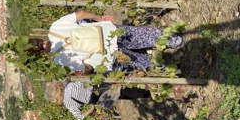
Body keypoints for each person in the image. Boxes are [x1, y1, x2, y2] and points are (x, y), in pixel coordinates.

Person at [47, 10, 184, 73]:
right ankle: (173, 40)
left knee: (139, 62)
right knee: (141, 35)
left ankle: (170, 68)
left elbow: (85, 68)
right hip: (107, 32)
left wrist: (93, 70)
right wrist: (99, 18)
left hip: (107, 57)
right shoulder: (55, 28)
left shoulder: (59, 60)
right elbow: (81, 14)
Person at [45, 80, 150, 120]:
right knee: (122, 88)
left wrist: (91, 109)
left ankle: (147, 94)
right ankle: (147, 87)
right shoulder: (71, 85)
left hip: (99, 100)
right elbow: (87, 81)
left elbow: (79, 117)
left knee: (122, 96)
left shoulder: (67, 104)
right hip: (98, 89)